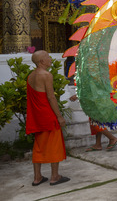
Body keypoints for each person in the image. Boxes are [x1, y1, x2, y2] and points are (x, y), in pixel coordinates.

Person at [26, 50, 70, 186]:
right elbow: (50, 97)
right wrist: (59, 116)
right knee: (54, 145)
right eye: (48, 57)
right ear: (41, 62)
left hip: (37, 116)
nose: (50, 59)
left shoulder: (31, 76)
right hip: (48, 114)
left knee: (38, 146)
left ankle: (37, 177)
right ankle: (55, 176)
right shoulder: (46, 75)